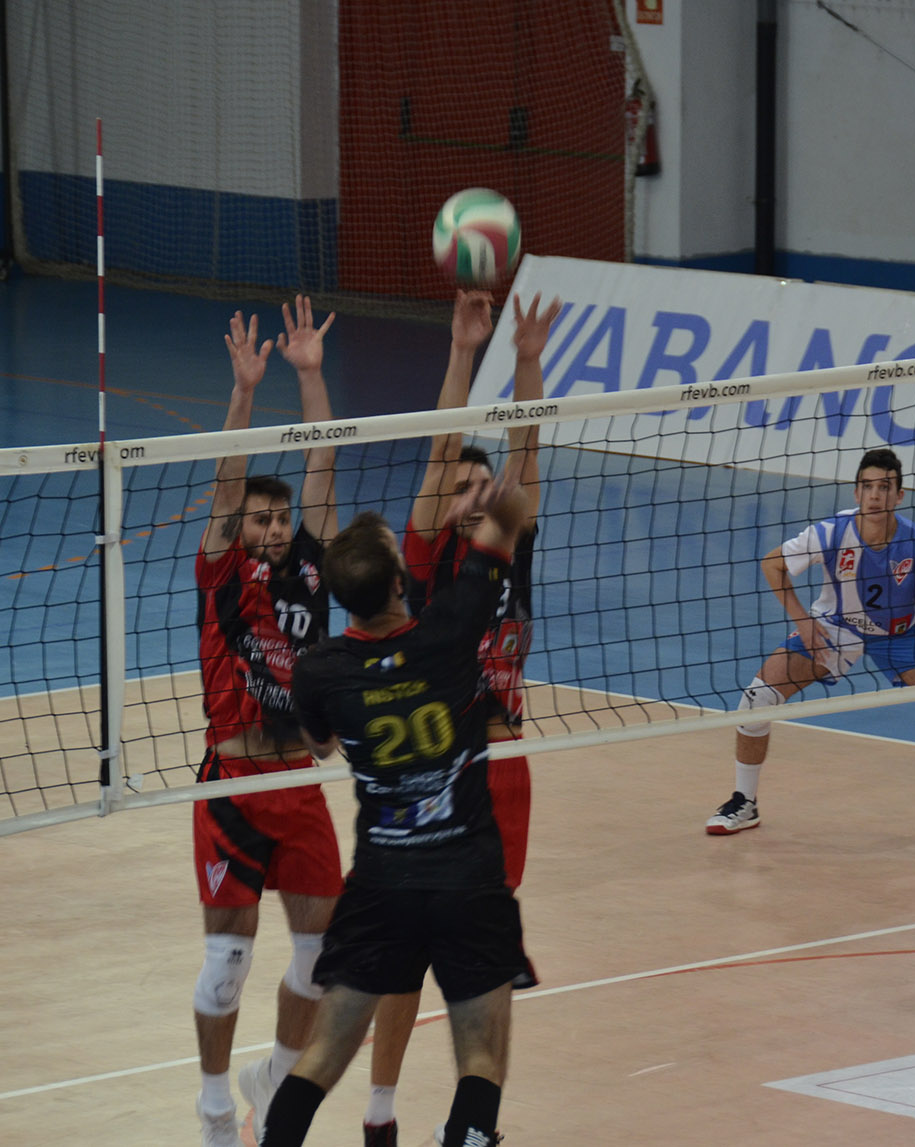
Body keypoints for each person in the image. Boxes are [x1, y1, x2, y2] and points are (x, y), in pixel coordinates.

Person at [262, 471, 536, 1147]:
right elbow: (515, 512)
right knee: (481, 1058)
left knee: (323, 1056)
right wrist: (484, 503)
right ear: (397, 584)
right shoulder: (449, 631)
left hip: (381, 886)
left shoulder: (320, 670)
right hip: (468, 879)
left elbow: (320, 746)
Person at [362, 288, 559, 1147]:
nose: (477, 493)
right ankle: (379, 1110)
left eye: (487, 486)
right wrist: (461, 349)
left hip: (505, 768)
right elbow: (445, 445)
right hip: (437, 772)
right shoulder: (426, 556)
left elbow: (528, 446)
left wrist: (526, 360)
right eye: (463, 486)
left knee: (485, 961)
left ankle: (473, 1125)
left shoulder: (512, 547)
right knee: (408, 954)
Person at [191, 298, 345, 1147]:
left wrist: (310, 374)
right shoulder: (223, 572)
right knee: (227, 964)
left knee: (322, 960)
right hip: (233, 788)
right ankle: (217, 1112)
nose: (276, 528)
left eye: (282, 519)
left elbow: (323, 458)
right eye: (263, 519)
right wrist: (246, 392)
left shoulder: (311, 569)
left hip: (299, 783)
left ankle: (275, 1085)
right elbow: (227, 482)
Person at [706, 447, 915, 838]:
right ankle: (744, 802)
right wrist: (802, 620)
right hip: (834, 630)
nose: (875, 495)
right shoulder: (831, 533)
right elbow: (772, 563)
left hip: (901, 634)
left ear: (899, 495)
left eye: (884, 487)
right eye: (867, 486)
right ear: (856, 493)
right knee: (756, 701)